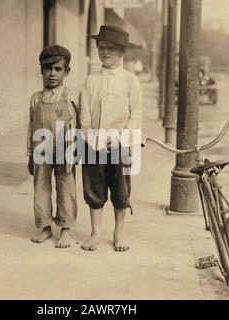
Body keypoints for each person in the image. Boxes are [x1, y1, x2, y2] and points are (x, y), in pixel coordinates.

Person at [80, 25, 143, 252]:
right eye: (102, 47)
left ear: (122, 52)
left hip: (119, 144)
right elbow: (84, 115)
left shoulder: (130, 80)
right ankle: (96, 232)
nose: (106, 52)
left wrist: (120, 138)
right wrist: (91, 138)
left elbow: (136, 114)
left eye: (112, 49)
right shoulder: (91, 80)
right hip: (93, 142)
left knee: (120, 189)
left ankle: (119, 232)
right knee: (94, 188)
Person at [26, 45, 80, 248]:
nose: (52, 74)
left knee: (66, 186)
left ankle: (66, 229)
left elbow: (80, 125)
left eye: (58, 69)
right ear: (41, 70)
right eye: (47, 68)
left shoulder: (72, 95)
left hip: (65, 148)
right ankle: (45, 226)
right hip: (41, 146)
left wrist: (78, 150)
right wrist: (30, 153)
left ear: (66, 71)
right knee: (41, 186)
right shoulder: (36, 98)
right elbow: (31, 126)